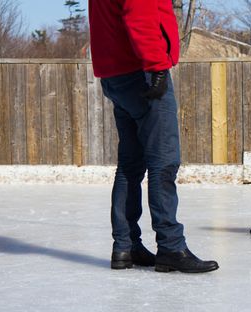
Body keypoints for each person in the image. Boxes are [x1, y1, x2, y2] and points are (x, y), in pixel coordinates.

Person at [89, 0, 218, 273]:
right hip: (143, 71)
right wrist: (158, 66)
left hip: (115, 74)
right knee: (163, 162)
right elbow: (140, 14)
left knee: (130, 165)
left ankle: (125, 246)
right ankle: (171, 246)